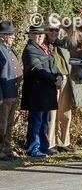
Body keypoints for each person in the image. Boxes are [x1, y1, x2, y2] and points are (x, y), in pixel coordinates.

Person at [47, 21, 82, 152]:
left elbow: (75, 31)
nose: (54, 32)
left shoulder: (64, 43)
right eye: (51, 30)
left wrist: (64, 26)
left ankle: (63, 142)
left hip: (66, 80)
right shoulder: (43, 45)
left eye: (56, 30)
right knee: (52, 114)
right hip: (52, 81)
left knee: (65, 113)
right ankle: (49, 144)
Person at [21, 25, 61, 157]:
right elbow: (37, 69)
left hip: (47, 91)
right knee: (36, 121)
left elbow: (54, 65)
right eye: (36, 34)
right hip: (36, 91)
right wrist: (54, 80)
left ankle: (44, 147)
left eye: (41, 34)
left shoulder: (45, 49)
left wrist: (59, 76)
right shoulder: (30, 50)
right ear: (30, 36)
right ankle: (33, 149)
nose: (39, 36)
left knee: (45, 122)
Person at [0, 21, 22, 160]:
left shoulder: (8, 49)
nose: (13, 36)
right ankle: (0, 150)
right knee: (1, 124)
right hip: (4, 94)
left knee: (9, 123)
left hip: (12, 92)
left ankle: (7, 148)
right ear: (2, 36)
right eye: (10, 34)